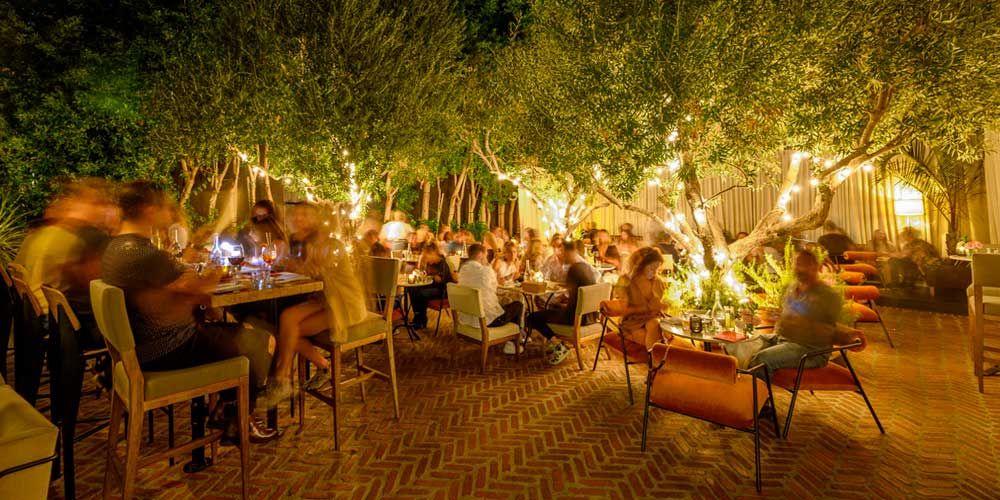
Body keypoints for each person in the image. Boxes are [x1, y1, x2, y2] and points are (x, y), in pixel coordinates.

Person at [100, 181, 278, 442]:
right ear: (149, 210)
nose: (169, 213)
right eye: (164, 207)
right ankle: (239, 418)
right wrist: (220, 269)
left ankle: (227, 409)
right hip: (166, 348)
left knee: (243, 331)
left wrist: (193, 259)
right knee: (261, 340)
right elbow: (200, 291)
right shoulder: (144, 253)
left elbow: (174, 288)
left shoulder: (116, 248)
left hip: (141, 346)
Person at [14, 178, 116, 342]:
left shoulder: (37, 235)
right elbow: (96, 284)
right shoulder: (82, 237)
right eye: (99, 205)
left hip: (35, 313)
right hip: (59, 323)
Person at [749, 250, 843, 375]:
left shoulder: (827, 295)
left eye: (803, 264)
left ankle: (759, 393)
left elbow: (828, 332)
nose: (799, 268)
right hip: (782, 340)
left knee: (761, 359)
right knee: (743, 345)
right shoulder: (793, 288)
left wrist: (798, 323)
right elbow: (786, 316)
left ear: (815, 267)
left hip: (810, 350)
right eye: (796, 264)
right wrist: (778, 316)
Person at [526, 241, 597, 365]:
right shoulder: (586, 267)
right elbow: (577, 298)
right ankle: (555, 342)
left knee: (532, 317)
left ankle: (559, 345)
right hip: (590, 316)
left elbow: (572, 303)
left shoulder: (574, 271)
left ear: (570, 251)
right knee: (551, 307)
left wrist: (560, 304)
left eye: (563, 251)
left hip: (575, 318)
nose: (562, 255)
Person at [458, 243, 524, 355]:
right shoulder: (486, 271)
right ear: (480, 255)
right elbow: (495, 289)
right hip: (487, 320)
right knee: (518, 305)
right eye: (486, 254)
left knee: (505, 303)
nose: (487, 257)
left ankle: (515, 337)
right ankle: (511, 344)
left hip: (466, 318)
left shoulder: (463, 269)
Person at [620, 248, 673, 348]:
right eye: (651, 269)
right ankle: (656, 359)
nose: (654, 272)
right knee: (654, 324)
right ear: (641, 266)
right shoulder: (628, 282)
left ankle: (658, 356)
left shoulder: (658, 282)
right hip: (633, 320)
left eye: (656, 269)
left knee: (656, 323)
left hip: (653, 317)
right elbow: (625, 310)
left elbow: (657, 305)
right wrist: (650, 308)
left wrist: (662, 306)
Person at [409, 244, 454, 330]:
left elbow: (439, 280)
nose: (427, 260)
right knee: (412, 289)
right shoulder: (430, 264)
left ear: (433, 254)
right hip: (431, 287)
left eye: (427, 257)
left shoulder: (443, 262)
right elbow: (425, 273)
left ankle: (421, 319)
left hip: (443, 290)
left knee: (421, 294)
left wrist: (432, 274)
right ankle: (417, 316)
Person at [284, 202, 322, 270]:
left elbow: (311, 272)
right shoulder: (293, 239)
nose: (298, 218)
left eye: (305, 214)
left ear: (316, 218)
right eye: (295, 214)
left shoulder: (321, 242)